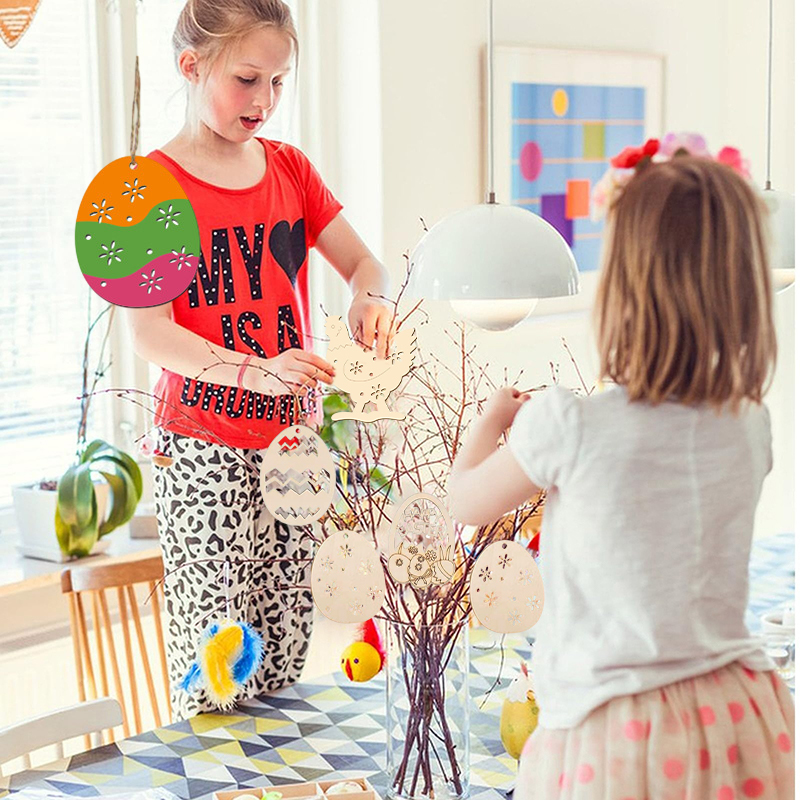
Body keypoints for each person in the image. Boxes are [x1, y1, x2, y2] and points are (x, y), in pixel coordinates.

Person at [448, 152, 794, 799]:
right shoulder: (750, 423)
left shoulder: (569, 425)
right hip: (738, 711)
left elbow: (463, 503)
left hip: (616, 728)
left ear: (622, 291)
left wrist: (492, 422)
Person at [126, 0, 393, 719]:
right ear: (192, 66)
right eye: (247, 79)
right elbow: (149, 333)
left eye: (278, 81)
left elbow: (365, 263)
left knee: (282, 660)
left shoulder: (290, 170)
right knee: (215, 673)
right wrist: (256, 369)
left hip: (292, 448)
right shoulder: (151, 189)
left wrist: (369, 298)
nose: (265, 100)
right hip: (202, 448)